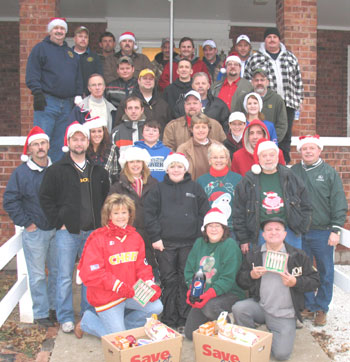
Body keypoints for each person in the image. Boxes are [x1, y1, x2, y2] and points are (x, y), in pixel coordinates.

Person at [39, 122, 110, 333]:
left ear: (88, 142)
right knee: (63, 276)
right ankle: (66, 317)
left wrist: (102, 226)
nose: (79, 143)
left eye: (83, 139)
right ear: (68, 142)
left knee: (90, 277)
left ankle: (87, 316)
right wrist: (58, 222)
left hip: (93, 233)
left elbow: (106, 199)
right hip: (67, 233)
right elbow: (45, 198)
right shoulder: (56, 170)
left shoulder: (98, 171)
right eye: (75, 139)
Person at [74, 194, 162, 338]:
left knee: (157, 307)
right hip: (107, 295)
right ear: (108, 215)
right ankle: (87, 322)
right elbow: (93, 272)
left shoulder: (135, 237)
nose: (120, 217)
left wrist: (149, 284)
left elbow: (142, 266)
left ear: (130, 214)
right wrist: (118, 286)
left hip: (130, 292)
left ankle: (121, 330)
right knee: (120, 340)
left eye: (124, 212)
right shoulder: (98, 237)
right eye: (116, 213)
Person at [232, 217, 320, 361]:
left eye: (277, 229)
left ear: (285, 234)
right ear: (263, 235)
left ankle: (278, 332)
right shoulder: (254, 254)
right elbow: (240, 281)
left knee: (281, 354)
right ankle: (254, 338)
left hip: (285, 313)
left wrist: (295, 282)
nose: (273, 232)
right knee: (239, 309)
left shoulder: (298, 255)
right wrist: (251, 275)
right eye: (269, 230)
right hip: (261, 306)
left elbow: (315, 280)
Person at [144, 153, 210, 330]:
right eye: (172, 166)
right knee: (168, 280)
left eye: (179, 166)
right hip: (165, 245)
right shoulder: (158, 189)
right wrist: (156, 237)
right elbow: (149, 215)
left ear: (185, 169)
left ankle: (185, 318)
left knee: (186, 280)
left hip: (190, 244)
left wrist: (200, 235)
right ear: (167, 169)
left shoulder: (195, 188)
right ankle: (169, 319)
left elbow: (206, 212)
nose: (176, 169)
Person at [3, 127, 57, 328]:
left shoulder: (56, 169)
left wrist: (61, 222)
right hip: (36, 232)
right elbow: (10, 200)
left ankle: (53, 308)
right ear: (30, 148)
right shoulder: (22, 173)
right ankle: (41, 313)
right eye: (36, 144)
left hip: (56, 230)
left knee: (57, 272)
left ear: (48, 145)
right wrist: (27, 222)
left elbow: (65, 197)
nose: (40, 147)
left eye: (43, 143)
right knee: (37, 275)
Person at [291, 135, 348, 326]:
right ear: (300, 151)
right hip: (300, 232)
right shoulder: (294, 171)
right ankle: (308, 304)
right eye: (304, 148)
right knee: (303, 270)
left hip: (322, 231)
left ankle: (322, 307)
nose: (308, 151)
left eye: (312, 148)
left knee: (325, 270)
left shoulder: (329, 172)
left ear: (319, 150)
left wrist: (335, 228)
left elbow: (339, 201)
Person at [232, 139, 312, 254]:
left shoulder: (290, 177)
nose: (268, 158)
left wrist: (301, 227)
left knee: (292, 267)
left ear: (277, 157)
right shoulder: (248, 181)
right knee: (263, 268)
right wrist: (244, 238)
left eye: (272, 155)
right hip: (260, 233)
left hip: (289, 231)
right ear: (258, 158)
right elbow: (239, 211)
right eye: (264, 155)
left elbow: (306, 204)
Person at [26, 17, 83, 162]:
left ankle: (54, 178)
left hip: (66, 105)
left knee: (60, 145)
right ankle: (38, 174)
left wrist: (78, 94)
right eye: (56, 28)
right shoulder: (41, 48)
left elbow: (77, 76)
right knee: (41, 142)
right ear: (50, 31)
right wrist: (37, 92)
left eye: (62, 28)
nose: (59, 31)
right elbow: (32, 72)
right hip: (47, 102)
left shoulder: (70, 53)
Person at [244, 27, 304, 164]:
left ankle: (283, 163)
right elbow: (247, 79)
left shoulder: (290, 57)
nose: (272, 40)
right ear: (264, 40)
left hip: (288, 102)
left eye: (274, 37)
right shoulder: (255, 58)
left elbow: (298, 79)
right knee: (264, 129)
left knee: (285, 133)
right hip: (265, 101)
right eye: (269, 37)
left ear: (279, 40)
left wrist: (299, 99)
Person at [184, 208, 245, 340]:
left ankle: (229, 324)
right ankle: (213, 322)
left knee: (210, 307)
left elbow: (227, 279)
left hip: (229, 293)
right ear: (205, 229)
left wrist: (209, 295)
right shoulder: (199, 243)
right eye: (210, 226)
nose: (214, 229)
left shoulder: (230, 245)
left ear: (224, 229)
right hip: (203, 294)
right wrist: (192, 290)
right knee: (190, 334)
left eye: (218, 226)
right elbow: (189, 270)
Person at [108, 146, 158, 273]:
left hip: (150, 237)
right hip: (126, 238)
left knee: (149, 278)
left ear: (143, 164)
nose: (135, 165)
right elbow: (110, 212)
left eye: (138, 161)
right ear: (126, 165)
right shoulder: (117, 186)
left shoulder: (154, 184)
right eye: (132, 162)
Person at [197, 143, 242, 234]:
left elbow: (242, 207)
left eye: (222, 157)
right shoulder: (201, 181)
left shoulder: (238, 179)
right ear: (209, 160)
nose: (218, 160)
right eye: (215, 157)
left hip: (232, 230)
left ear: (227, 160)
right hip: (209, 230)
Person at [177, 114, 220, 180]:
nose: (201, 130)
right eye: (197, 127)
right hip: (192, 188)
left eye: (204, 127)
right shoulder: (183, 149)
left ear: (208, 129)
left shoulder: (219, 147)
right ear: (191, 129)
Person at [84, 116, 120, 184]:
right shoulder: (83, 150)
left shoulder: (113, 149)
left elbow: (116, 174)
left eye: (99, 131)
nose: (97, 134)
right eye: (93, 131)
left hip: (107, 190)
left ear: (104, 132)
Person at [72, 26, 102, 97]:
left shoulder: (95, 57)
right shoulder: (68, 55)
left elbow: (98, 76)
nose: (83, 39)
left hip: (89, 95)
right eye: (80, 36)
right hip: (70, 95)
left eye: (85, 37)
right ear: (74, 39)